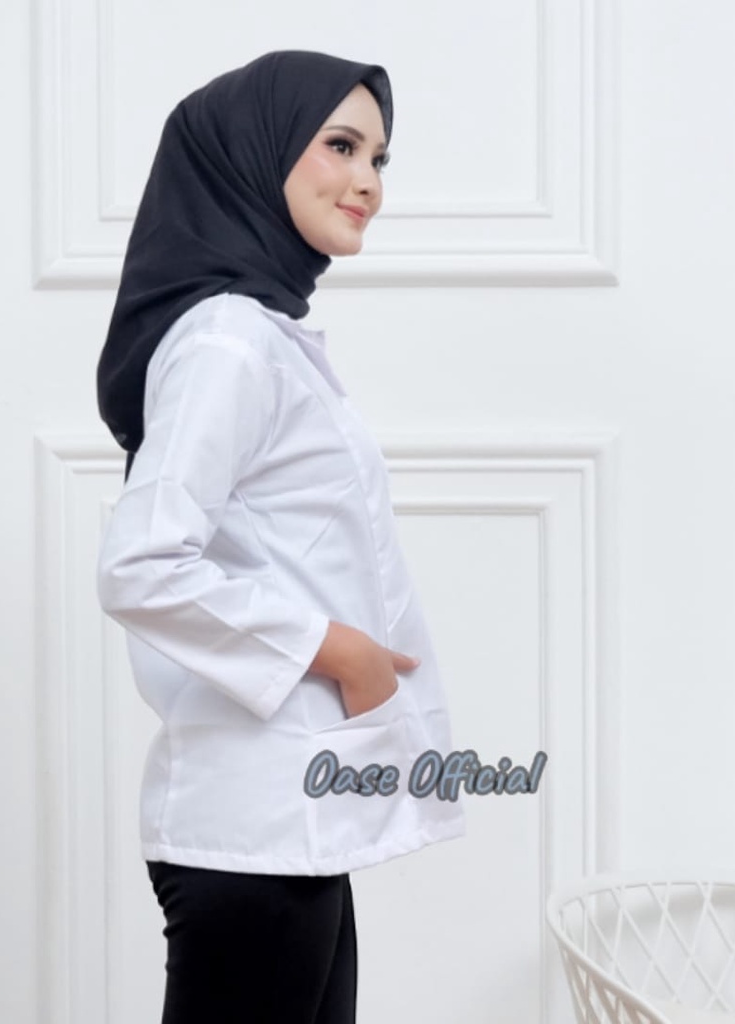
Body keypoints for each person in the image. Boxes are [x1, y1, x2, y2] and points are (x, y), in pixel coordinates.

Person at [95, 50, 465, 1024]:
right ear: (252, 155)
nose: (368, 181)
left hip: (290, 824)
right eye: (340, 145)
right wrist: (338, 649)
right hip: (251, 830)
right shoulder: (227, 340)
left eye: (379, 157)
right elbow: (140, 565)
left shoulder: (260, 335)